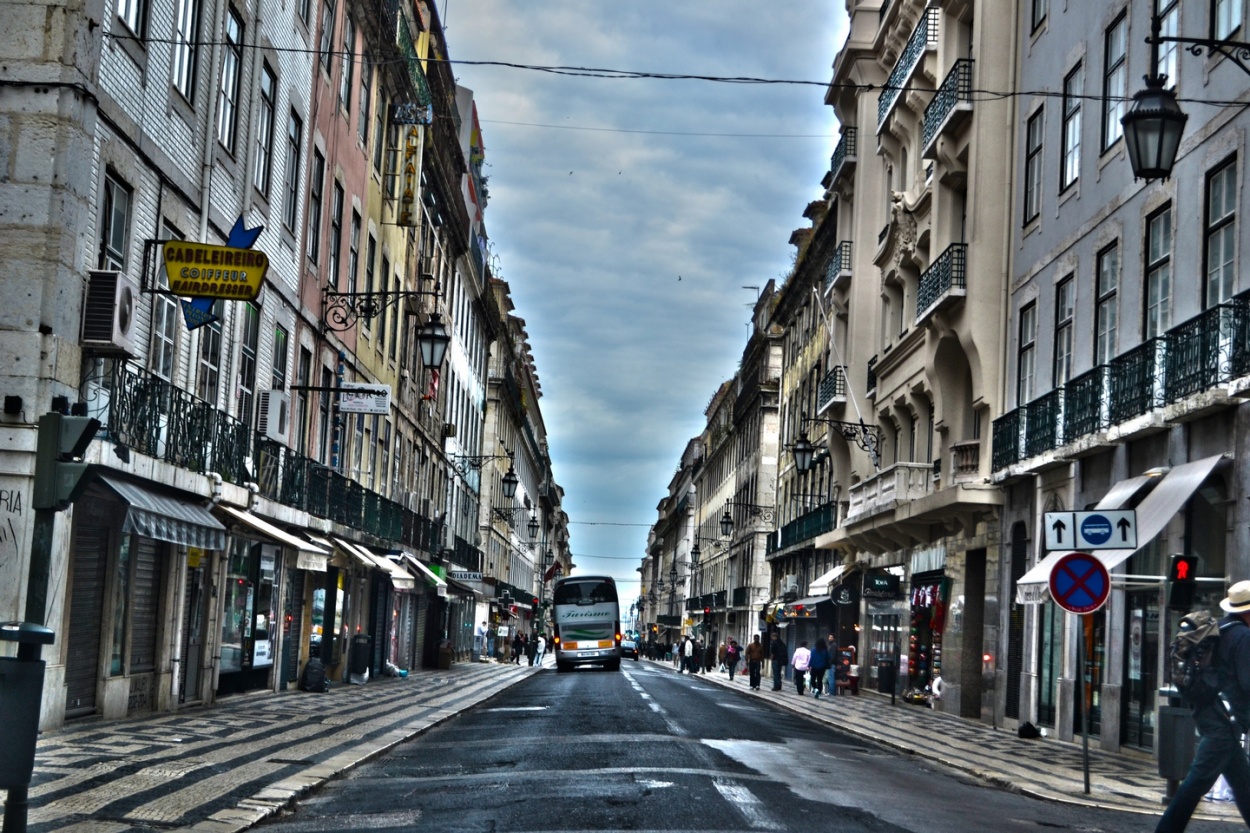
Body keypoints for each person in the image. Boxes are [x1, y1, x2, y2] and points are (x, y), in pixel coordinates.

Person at [1155, 580, 1250, 833]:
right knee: (1196, 782)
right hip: (1224, 720)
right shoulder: (1243, 636)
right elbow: (1247, 681)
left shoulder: (1219, 629)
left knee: (1243, 783)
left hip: (1210, 712)